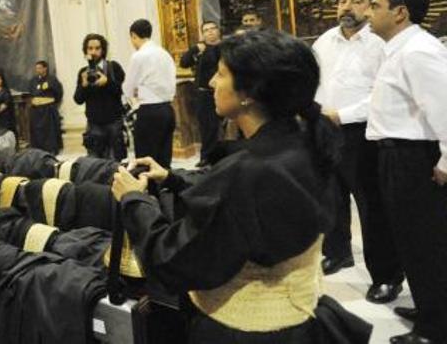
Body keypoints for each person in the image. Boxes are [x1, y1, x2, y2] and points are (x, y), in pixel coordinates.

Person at [112, 30, 371, 343]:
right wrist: (173, 179)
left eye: (220, 74)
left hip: (245, 331)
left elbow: (175, 262)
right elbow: (249, 211)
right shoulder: (304, 139)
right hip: (298, 316)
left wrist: (134, 200)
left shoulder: (250, 171)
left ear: (249, 92)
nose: (210, 83)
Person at [312, 0, 404, 302]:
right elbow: (315, 82)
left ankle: (386, 275)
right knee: (330, 196)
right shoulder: (324, 41)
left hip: (364, 132)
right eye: (341, 1)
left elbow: (385, 95)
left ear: (372, 5)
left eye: (356, 0)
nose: (346, 7)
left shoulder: (381, 43)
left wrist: (343, 114)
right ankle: (337, 252)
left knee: (371, 206)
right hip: (325, 128)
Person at [366, 0, 447, 344]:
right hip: (397, 154)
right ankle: (429, 305)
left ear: (400, 12)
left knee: (425, 242)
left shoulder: (417, 51)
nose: (369, 12)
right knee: (410, 239)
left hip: (413, 157)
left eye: (375, 6)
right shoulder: (399, 49)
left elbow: (444, 105)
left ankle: (436, 328)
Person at [124, 19, 176, 167]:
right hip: (168, 110)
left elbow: (128, 88)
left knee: (146, 160)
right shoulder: (165, 54)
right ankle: (166, 188)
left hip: (149, 112)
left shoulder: (139, 56)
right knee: (164, 158)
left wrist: (133, 93)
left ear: (133, 35)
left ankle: (151, 190)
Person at [74, 34, 126, 160]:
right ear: (85, 51)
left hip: (114, 123)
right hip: (94, 126)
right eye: (90, 48)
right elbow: (78, 99)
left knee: (115, 164)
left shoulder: (114, 67)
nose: (94, 52)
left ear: (103, 50)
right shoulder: (83, 72)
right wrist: (84, 85)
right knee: (95, 164)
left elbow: (122, 91)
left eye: (97, 48)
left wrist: (107, 82)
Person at [179, 21, 221, 166]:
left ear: (218, 30)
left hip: (223, 92)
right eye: (206, 30)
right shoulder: (200, 48)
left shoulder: (225, 47)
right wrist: (195, 49)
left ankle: (222, 156)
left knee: (223, 128)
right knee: (206, 127)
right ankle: (206, 157)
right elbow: (183, 62)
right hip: (204, 94)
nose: (209, 32)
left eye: (212, 29)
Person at [28, 60, 63, 154]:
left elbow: (58, 93)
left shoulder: (52, 79)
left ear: (45, 68)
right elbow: (31, 93)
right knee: (37, 131)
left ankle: (51, 149)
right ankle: (39, 149)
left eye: (39, 68)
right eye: (36, 68)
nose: (38, 70)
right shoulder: (33, 80)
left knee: (49, 131)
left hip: (48, 109)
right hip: (36, 110)